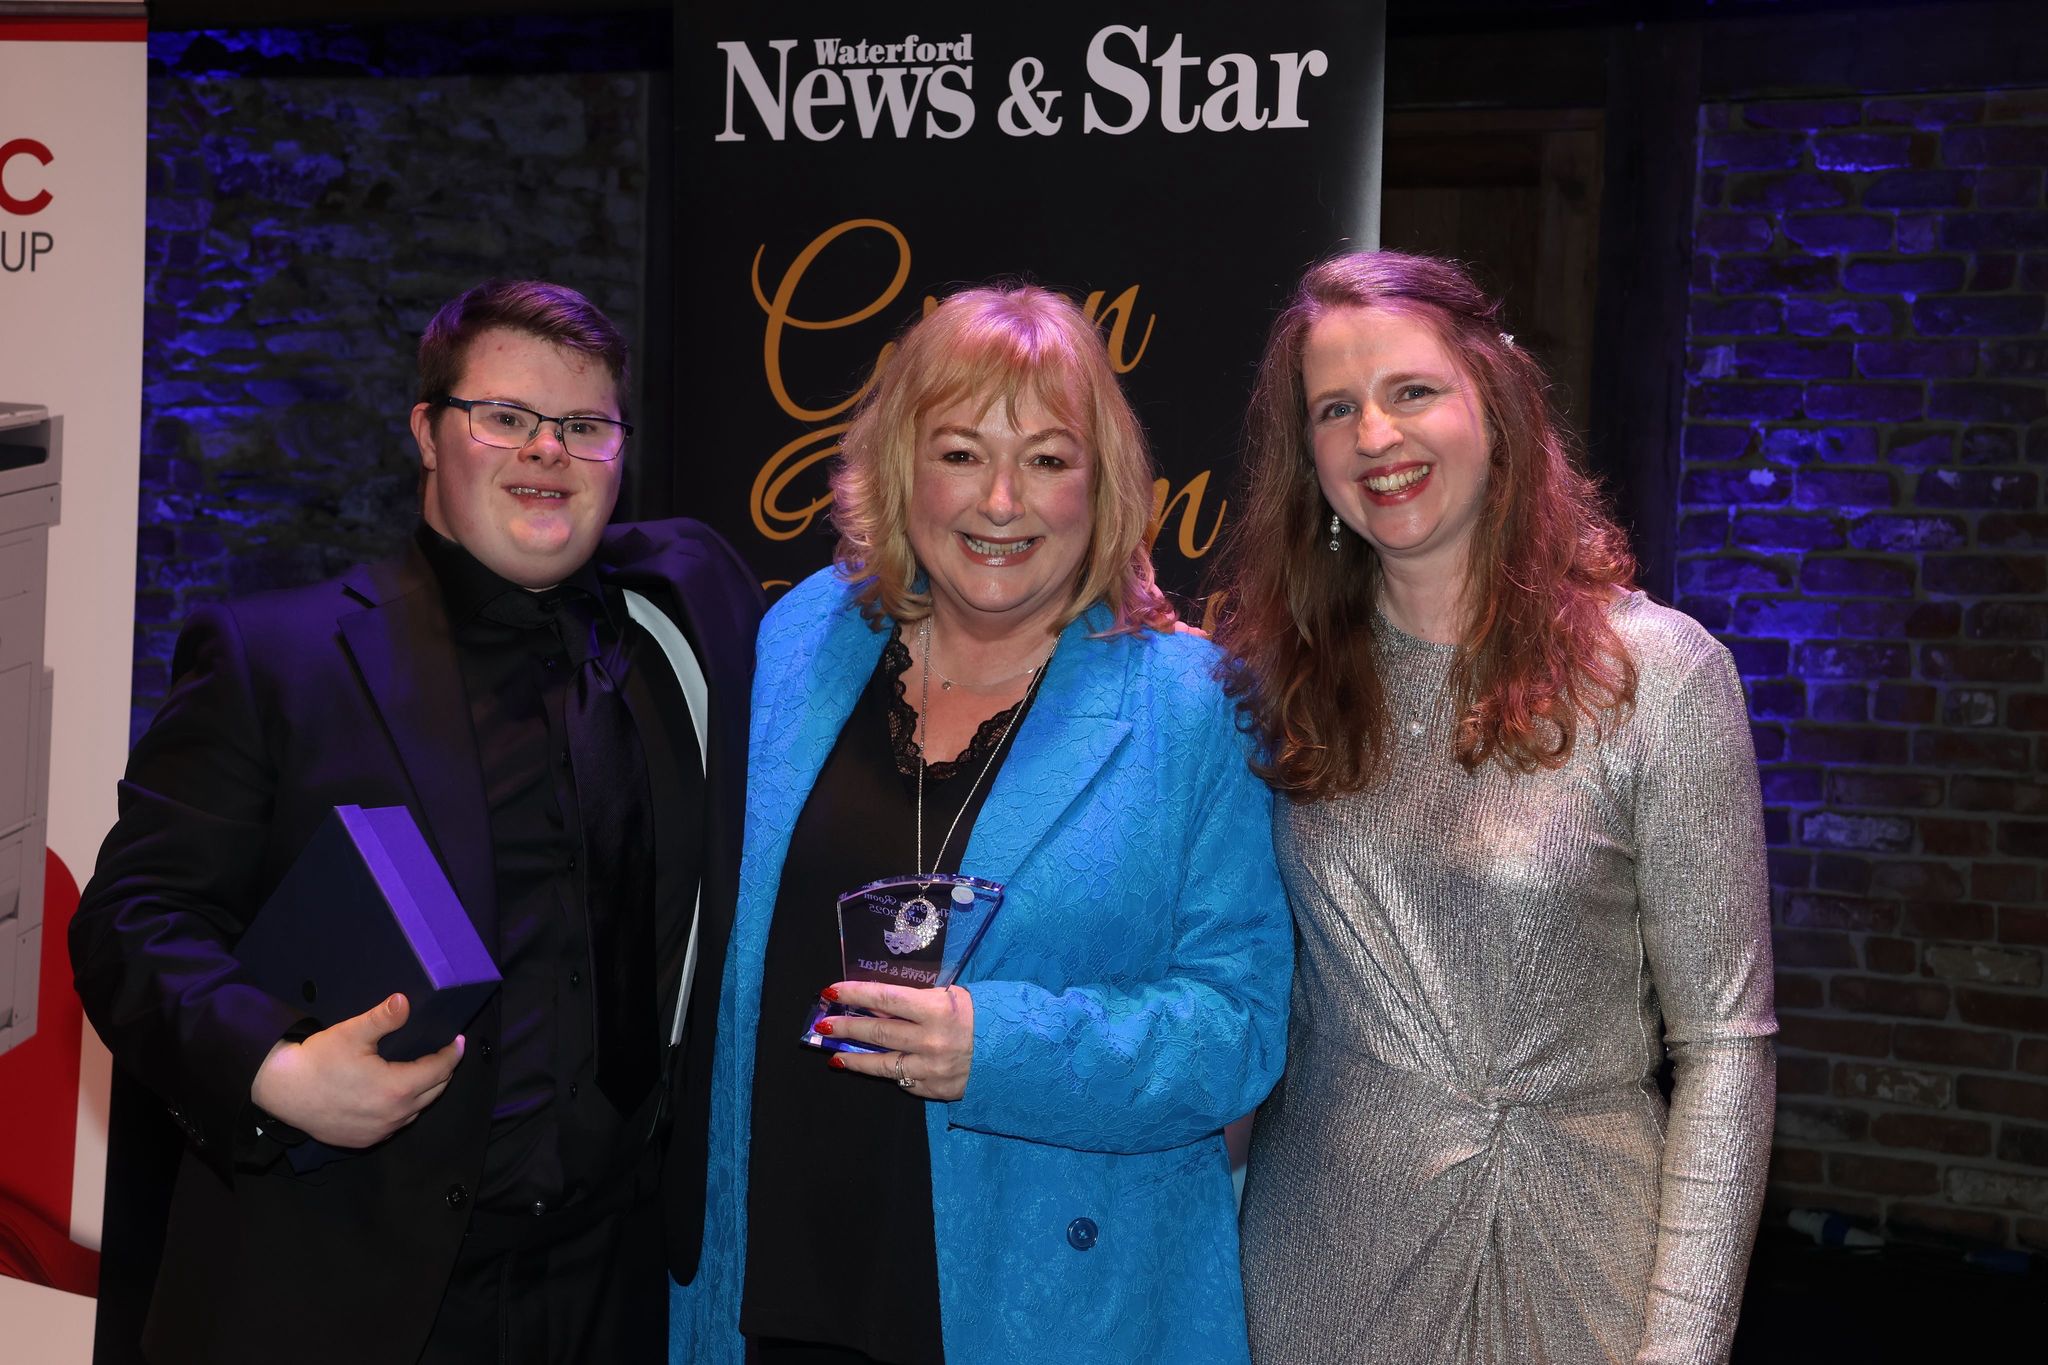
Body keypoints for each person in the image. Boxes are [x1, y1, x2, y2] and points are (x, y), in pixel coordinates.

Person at [71, 279, 763, 1365]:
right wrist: (276, 1069)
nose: (547, 451)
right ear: (427, 433)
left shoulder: (678, 627)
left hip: (612, 1293)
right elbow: (129, 921)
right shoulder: (276, 660)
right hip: (351, 1297)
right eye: (505, 417)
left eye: (583, 427)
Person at [669, 284, 1291, 1364]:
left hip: (1052, 1312)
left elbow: (1236, 1029)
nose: (1001, 501)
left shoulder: (1193, 709)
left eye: (1047, 460)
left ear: (1101, 487)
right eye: (961, 452)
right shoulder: (803, 638)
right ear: (901, 467)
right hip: (776, 1292)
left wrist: (995, 1048)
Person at [1215, 251, 1774, 1365]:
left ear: (1496, 402)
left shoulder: (1657, 677)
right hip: (1319, 1267)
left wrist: (1683, 1344)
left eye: (1411, 390)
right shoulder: (1271, 680)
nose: (1375, 435)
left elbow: (1725, 1046)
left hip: (1580, 1263)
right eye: (1335, 409)